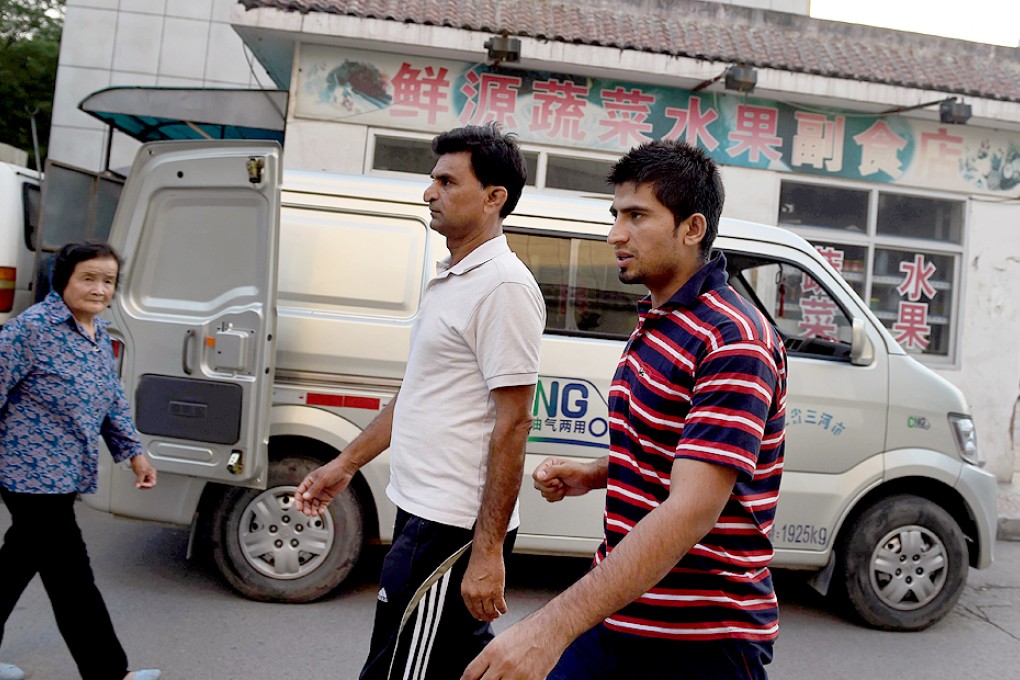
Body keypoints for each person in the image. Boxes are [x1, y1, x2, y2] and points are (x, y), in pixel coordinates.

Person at [461, 139, 788, 680]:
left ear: (693, 228)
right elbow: (669, 447)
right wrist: (594, 473)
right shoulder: (660, 320)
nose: (616, 234)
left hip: (698, 642)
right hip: (618, 612)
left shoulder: (734, 338)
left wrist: (549, 626)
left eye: (638, 216)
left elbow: (691, 509)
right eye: (616, 215)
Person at [295, 124, 545, 680]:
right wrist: (345, 463)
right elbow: (418, 395)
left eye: (446, 181)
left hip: (451, 529)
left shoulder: (503, 285)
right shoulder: (452, 277)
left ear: (493, 197)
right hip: (422, 513)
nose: (429, 192)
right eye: (432, 179)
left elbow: (513, 424)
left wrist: (487, 552)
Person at [0, 241, 162, 680]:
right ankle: (109, 673)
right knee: (72, 577)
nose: (99, 288)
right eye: (88, 277)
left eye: (107, 280)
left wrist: (134, 454)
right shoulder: (28, 331)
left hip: (65, 473)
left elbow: (110, 401)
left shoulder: (97, 336)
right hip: (27, 475)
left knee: (14, 566)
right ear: (63, 280)